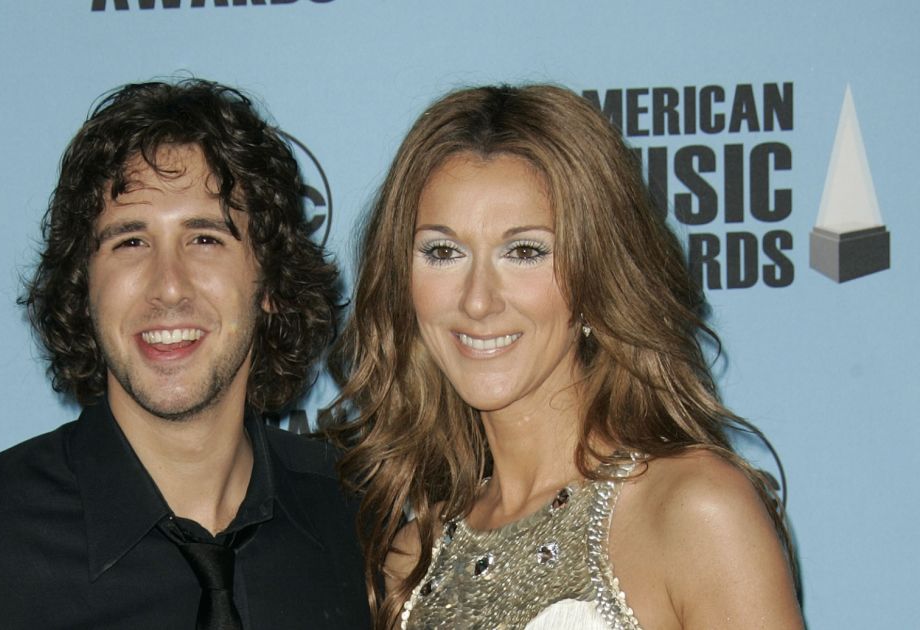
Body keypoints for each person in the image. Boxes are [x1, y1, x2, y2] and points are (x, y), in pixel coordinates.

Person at [0, 79, 369, 629]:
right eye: (130, 242)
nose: (169, 286)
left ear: (269, 285)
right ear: (83, 286)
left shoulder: (357, 523)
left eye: (206, 238)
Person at [329, 84, 803, 629]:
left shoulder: (692, 511)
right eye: (443, 252)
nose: (478, 299)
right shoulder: (410, 564)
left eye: (525, 251)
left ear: (595, 275)